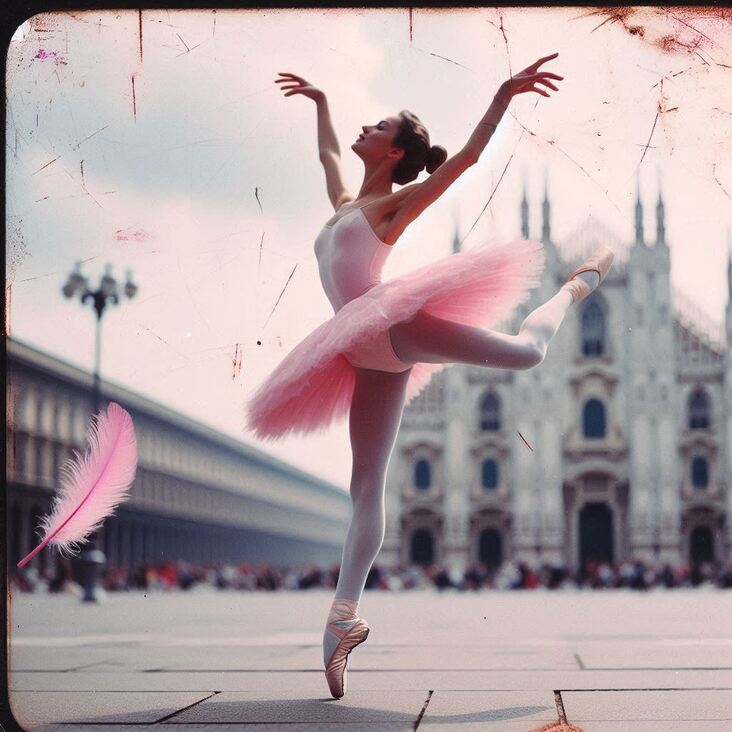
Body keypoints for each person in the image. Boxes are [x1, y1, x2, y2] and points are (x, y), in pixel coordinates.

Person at [245, 52, 614, 699]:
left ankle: (569, 294)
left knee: (526, 353)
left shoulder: (393, 208)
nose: (365, 128)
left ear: (395, 152)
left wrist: (502, 93)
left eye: (377, 124)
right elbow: (330, 158)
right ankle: (342, 620)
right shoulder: (342, 204)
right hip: (359, 346)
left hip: (392, 330)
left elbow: (465, 161)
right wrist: (321, 101)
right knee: (365, 487)